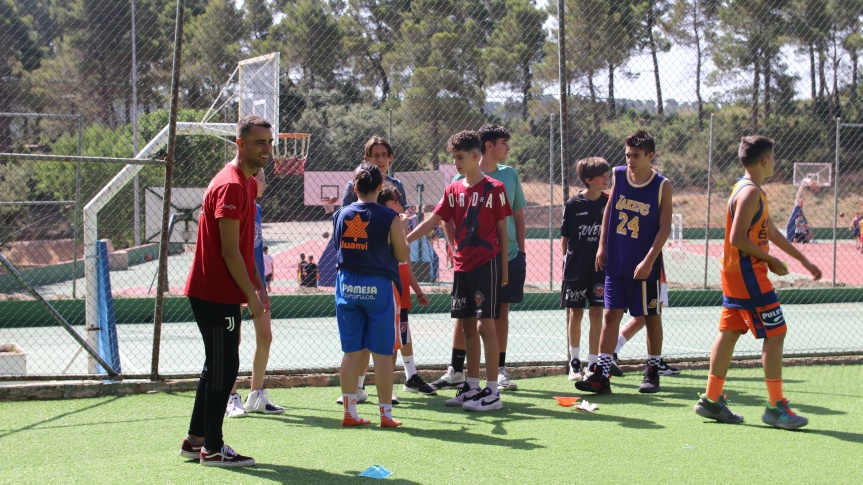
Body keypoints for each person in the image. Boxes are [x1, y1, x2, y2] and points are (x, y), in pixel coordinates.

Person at [694, 135, 822, 430]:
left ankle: (711, 400)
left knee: (730, 331)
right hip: (748, 274)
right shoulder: (750, 192)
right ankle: (776, 407)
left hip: (736, 273)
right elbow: (736, 238)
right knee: (776, 332)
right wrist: (771, 260)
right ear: (764, 160)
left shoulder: (749, 190)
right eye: (774, 158)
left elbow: (773, 233)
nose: (775, 162)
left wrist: (803, 260)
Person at [179, 115, 271, 468]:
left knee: (216, 366)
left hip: (222, 291)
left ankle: (195, 440)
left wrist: (258, 285)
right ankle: (213, 449)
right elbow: (229, 251)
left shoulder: (247, 183)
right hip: (214, 292)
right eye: (259, 142)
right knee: (225, 367)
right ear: (240, 144)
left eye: (269, 142)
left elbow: (244, 248)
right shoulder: (231, 184)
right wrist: (249, 294)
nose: (267, 149)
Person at [407, 130, 511, 412]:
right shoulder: (453, 190)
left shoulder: (495, 189)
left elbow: (503, 230)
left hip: (486, 265)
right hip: (462, 266)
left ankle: (492, 391)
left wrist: (503, 270)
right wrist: (405, 239)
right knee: (466, 326)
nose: (455, 163)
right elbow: (435, 220)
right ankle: (472, 386)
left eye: (460, 157)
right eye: (453, 158)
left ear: (476, 156)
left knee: (483, 325)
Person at [431, 124, 526, 392]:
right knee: (466, 318)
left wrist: (520, 252)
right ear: (487, 146)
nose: (507, 147)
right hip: (469, 260)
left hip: (503, 258)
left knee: (498, 315)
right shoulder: (457, 183)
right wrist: (454, 247)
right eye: (503, 142)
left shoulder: (507, 178)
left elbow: (517, 216)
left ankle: (498, 374)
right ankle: (458, 372)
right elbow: (442, 219)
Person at [577, 130, 672, 395]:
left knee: (651, 317)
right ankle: (602, 374)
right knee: (610, 315)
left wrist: (649, 260)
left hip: (643, 265)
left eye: (636, 155)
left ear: (650, 156)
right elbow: (610, 208)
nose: (630, 160)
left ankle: (652, 371)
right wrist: (602, 244)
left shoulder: (661, 185)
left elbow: (664, 228)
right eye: (627, 154)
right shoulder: (619, 174)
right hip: (617, 261)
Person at [334, 163, 409, 428]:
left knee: (352, 352)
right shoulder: (389, 217)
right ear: (380, 187)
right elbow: (401, 255)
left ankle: (349, 412)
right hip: (378, 287)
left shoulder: (341, 214)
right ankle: (385, 415)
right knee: (382, 353)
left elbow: (339, 249)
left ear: (355, 187)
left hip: (346, 286)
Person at [225, 170, 284, 419]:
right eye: (261, 178)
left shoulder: (257, 209)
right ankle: (230, 397)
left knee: (265, 336)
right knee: (232, 341)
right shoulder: (237, 205)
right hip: (235, 281)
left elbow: (255, 252)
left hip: (256, 282)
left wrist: (260, 285)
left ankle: (256, 394)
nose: (264, 183)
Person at [378, 184, 437, 399]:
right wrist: (402, 229)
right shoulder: (383, 227)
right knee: (391, 338)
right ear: (383, 206)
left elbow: (406, 264)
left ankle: (410, 377)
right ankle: (386, 387)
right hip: (389, 289)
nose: (400, 205)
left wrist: (418, 291)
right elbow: (395, 253)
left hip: (402, 291)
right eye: (394, 201)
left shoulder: (397, 225)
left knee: (403, 333)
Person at [560, 157, 610, 382]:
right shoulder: (573, 205)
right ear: (588, 180)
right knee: (576, 313)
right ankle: (575, 362)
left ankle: (593, 363)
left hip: (600, 270)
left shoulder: (609, 202)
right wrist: (566, 262)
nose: (606, 178)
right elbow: (565, 237)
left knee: (597, 313)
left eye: (607, 174)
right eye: (602, 175)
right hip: (576, 269)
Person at [341, 136, 408, 208]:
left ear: (390, 157)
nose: (380, 159)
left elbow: (401, 213)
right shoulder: (356, 185)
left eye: (384, 154)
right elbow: (345, 213)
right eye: (376, 155)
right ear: (368, 159)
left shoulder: (397, 184)